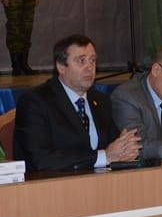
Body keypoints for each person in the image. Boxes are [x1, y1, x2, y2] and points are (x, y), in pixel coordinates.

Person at [15, 34, 141, 172]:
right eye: (81, 61)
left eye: (92, 60)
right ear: (61, 67)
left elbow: (112, 147)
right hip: (53, 183)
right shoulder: (36, 102)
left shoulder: (101, 101)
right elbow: (42, 160)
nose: (89, 67)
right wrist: (102, 157)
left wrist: (126, 149)